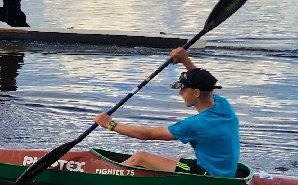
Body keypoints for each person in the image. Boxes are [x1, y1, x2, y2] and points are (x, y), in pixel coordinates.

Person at [94, 47, 239, 177]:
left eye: (183, 89)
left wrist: (110, 124)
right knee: (171, 160)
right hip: (223, 170)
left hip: (209, 175)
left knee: (141, 157)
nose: (180, 93)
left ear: (196, 93)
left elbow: (147, 135)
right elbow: (203, 82)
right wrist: (185, 60)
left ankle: (103, 178)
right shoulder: (222, 105)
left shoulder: (196, 125)